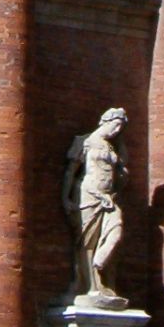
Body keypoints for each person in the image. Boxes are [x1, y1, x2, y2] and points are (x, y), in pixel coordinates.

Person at [63, 107, 131, 308]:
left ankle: (99, 263)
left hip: (109, 198)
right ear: (105, 121)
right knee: (88, 241)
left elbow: (121, 174)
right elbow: (70, 172)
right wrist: (65, 198)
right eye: (116, 124)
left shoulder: (113, 147)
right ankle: (92, 285)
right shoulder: (85, 141)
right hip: (88, 195)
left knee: (116, 230)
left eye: (121, 127)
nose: (117, 130)